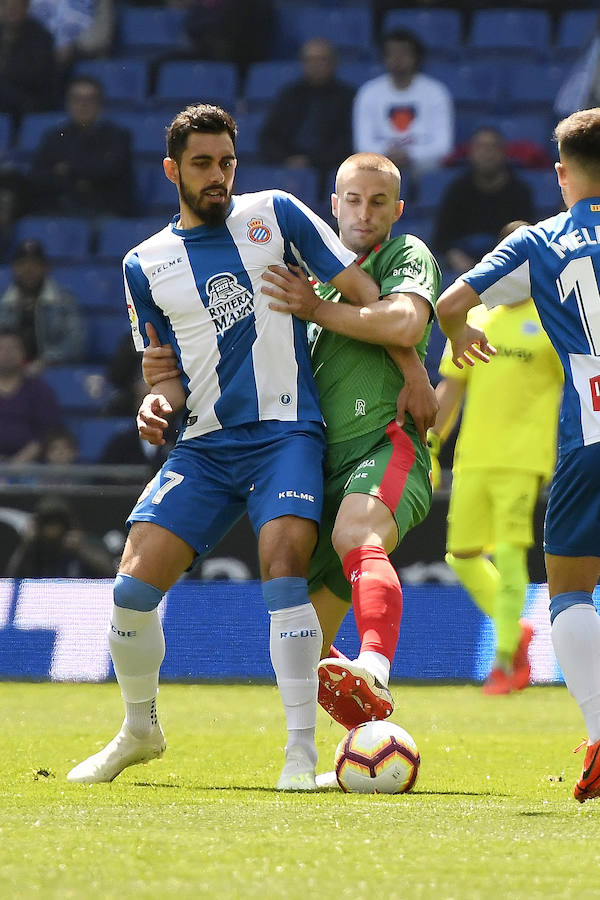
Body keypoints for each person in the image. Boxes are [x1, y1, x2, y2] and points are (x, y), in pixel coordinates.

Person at [66, 103, 434, 792]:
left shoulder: (277, 214)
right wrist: (154, 403)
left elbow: (363, 292)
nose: (218, 176)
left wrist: (413, 368)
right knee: (129, 590)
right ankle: (139, 729)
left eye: (227, 162)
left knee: (284, 567)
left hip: (288, 435)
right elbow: (164, 371)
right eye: (203, 164)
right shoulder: (143, 264)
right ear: (174, 169)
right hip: (205, 445)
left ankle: (298, 758)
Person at [142, 151, 440, 732]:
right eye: (352, 200)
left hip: (384, 444)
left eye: (379, 202)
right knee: (304, 646)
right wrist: (163, 375)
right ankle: (370, 743)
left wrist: (320, 311)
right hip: (314, 464)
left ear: (397, 210)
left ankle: (376, 663)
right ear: (334, 205)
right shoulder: (302, 270)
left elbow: (403, 320)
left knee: (358, 533)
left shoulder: (404, 254)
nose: (364, 212)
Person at [435, 107, 600, 803]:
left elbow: (449, 302)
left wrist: (462, 332)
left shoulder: (541, 241)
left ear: (561, 174)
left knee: (569, 590)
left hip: (586, 434)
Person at [428, 221, 563, 694]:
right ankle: (517, 630)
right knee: (461, 555)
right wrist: (431, 442)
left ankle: (507, 660)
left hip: (524, 458)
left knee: (508, 554)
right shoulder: (475, 320)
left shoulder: (553, 320)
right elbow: (452, 389)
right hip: (473, 457)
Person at [352, 28, 454, 189]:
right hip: (379, 171)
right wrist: (387, 156)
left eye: (403, 53)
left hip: (424, 170)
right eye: (392, 53)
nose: (397, 59)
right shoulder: (369, 92)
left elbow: (443, 145)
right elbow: (362, 145)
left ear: (416, 57)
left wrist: (411, 155)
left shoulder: (436, 92)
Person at [258, 38, 355, 200]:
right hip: (286, 164)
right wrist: (286, 159)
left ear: (334, 63)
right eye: (309, 60)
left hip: (328, 169)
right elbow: (267, 136)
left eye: (321, 60)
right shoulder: (289, 95)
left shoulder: (348, 97)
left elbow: (347, 141)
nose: (315, 65)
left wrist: (312, 161)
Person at [432, 128, 535, 279]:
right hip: (461, 265)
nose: (487, 153)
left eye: (493, 147)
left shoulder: (520, 191)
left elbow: (525, 237)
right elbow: (441, 239)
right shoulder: (457, 189)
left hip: (505, 264)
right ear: (471, 153)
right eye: (480, 147)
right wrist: (455, 257)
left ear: (504, 152)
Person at [30, 75, 134, 217]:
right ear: (68, 103)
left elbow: (108, 172)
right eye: (77, 99)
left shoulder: (118, 135)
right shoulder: (54, 136)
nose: (83, 105)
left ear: (100, 104)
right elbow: (38, 176)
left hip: (104, 209)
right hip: (60, 208)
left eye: (89, 100)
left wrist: (67, 169)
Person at [0, 238, 86, 369]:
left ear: (46, 268)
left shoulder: (64, 302)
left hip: (51, 371)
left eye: (35, 264)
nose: (28, 269)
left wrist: (45, 361)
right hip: (8, 372)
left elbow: (76, 343)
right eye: (22, 264)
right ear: (14, 268)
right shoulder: (3, 303)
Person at [5, 494, 115, 577]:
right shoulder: (34, 548)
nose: (52, 529)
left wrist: (81, 550)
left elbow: (110, 573)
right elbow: (11, 579)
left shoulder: (86, 543)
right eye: (47, 523)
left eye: (57, 522)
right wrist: (26, 545)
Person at [0, 328, 62, 464]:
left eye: (13, 348)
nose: (7, 353)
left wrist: (18, 463)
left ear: (23, 353)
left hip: (30, 465)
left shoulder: (40, 390)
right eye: (2, 348)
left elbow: (45, 432)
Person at [0, 0, 56, 122]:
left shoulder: (41, 37)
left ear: (26, 9)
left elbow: (36, 76)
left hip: (28, 98)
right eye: (7, 6)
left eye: (16, 7)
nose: (11, 11)